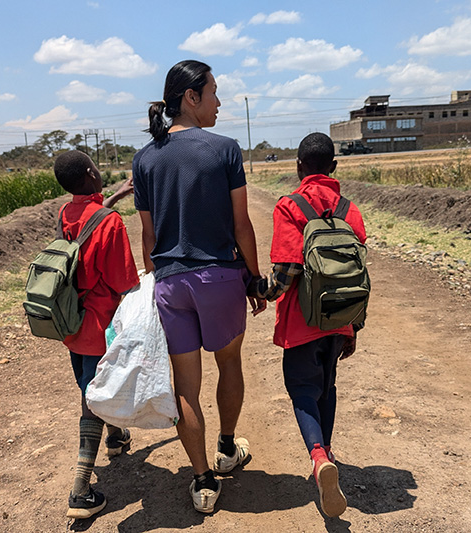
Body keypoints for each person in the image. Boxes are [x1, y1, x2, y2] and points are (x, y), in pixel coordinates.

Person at [132, 59, 267, 514]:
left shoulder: (145, 158)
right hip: (219, 278)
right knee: (229, 363)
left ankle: (202, 479)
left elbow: (148, 238)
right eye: (213, 92)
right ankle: (228, 448)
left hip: (170, 284)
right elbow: (242, 225)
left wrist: (156, 282)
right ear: (191, 97)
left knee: (185, 387)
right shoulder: (224, 149)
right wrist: (254, 276)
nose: (219, 101)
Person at [250, 132, 367, 517]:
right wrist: (354, 327)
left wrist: (261, 292)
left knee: (301, 389)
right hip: (339, 320)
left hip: (302, 319)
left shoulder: (290, 206)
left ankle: (319, 459)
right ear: (333, 167)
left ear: (299, 167)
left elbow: (286, 271)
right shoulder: (351, 210)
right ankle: (327, 454)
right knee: (326, 387)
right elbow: (358, 273)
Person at [53, 150, 140, 520]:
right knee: (92, 396)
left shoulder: (64, 214)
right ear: (91, 173)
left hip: (72, 321)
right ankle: (80, 490)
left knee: (88, 382)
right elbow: (125, 282)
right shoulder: (110, 224)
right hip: (101, 324)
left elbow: (87, 217)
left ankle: (116, 436)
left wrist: (116, 196)